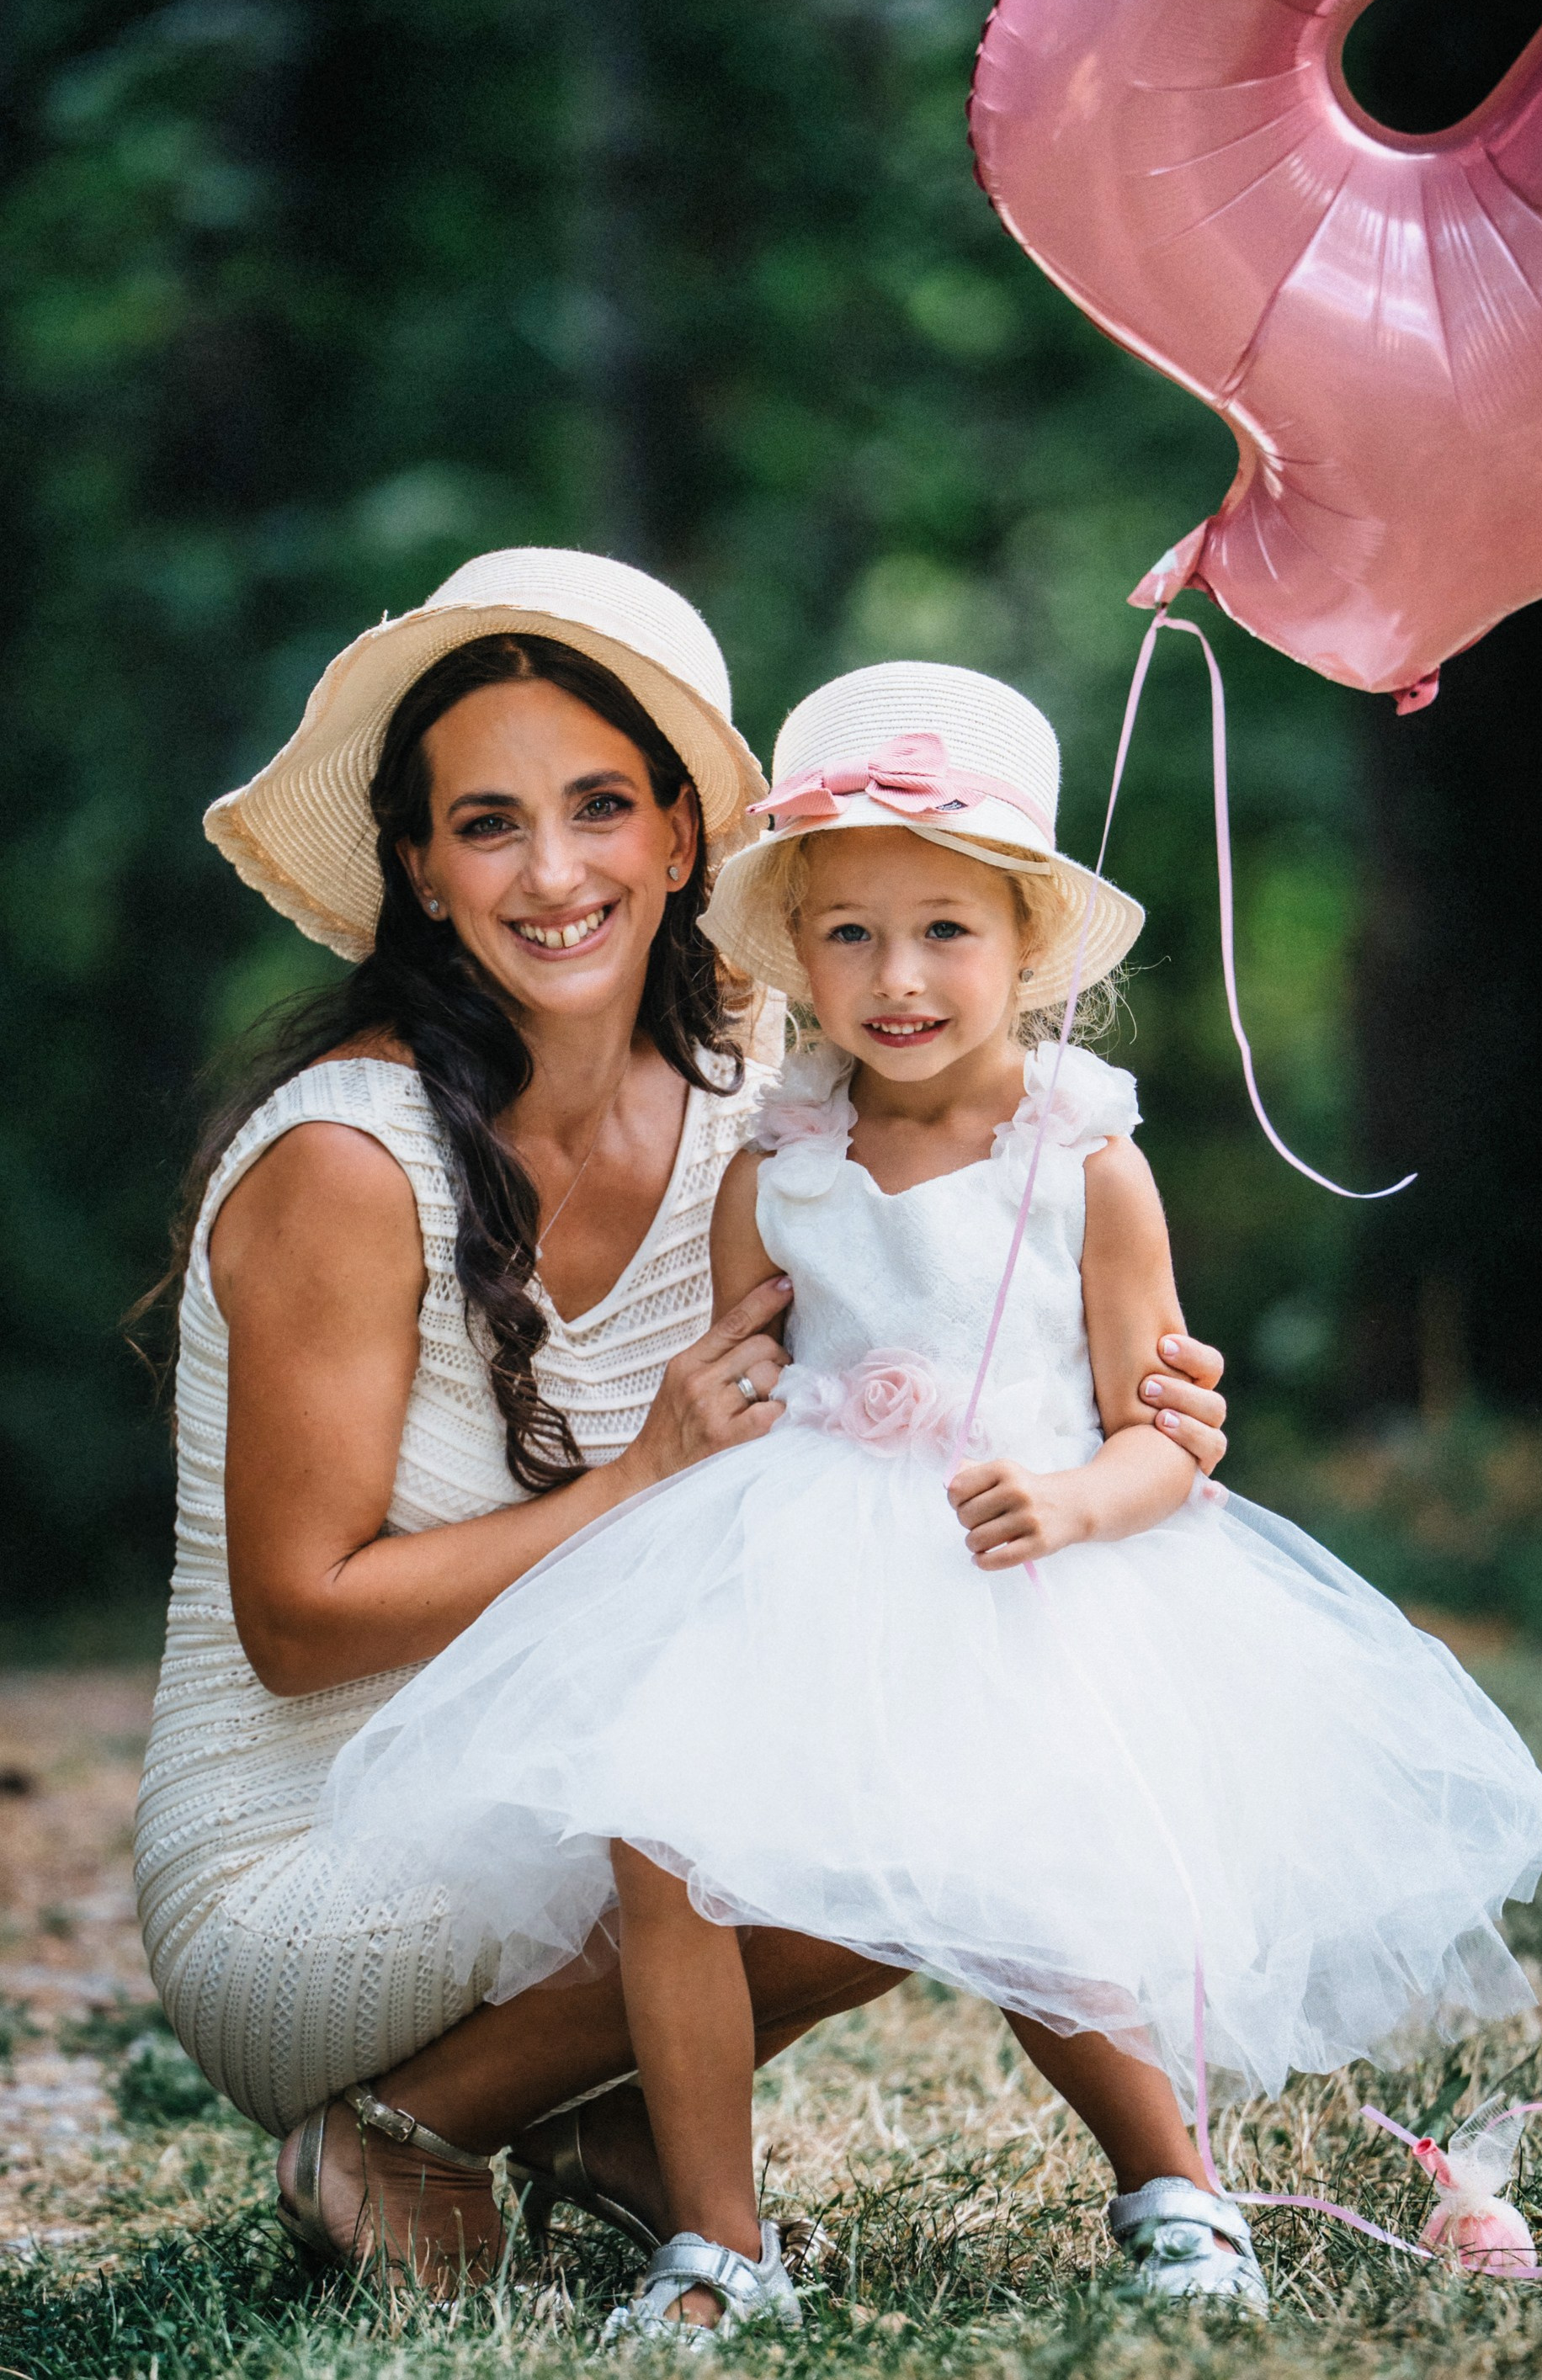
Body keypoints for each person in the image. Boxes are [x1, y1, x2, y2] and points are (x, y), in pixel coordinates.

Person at [314, 660, 1542, 2337]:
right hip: (797, 1560)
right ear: (795, 948)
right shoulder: (778, 1170)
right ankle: (717, 2242)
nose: (896, 977)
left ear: (1028, 944)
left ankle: (1176, 2190)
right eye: (849, 933)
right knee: (663, 1849)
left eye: (945, 930)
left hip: (1011, 1567)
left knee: (1026, 1876)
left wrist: (1076, 1502)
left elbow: (1167, 1433)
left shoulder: (1086, 1166)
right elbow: (749, 1382)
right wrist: (716, 1461)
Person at [132, 553, 1231, 2285]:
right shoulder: (349, 1160)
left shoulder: (761, 1106)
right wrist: (642, 1473)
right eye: (486, 825)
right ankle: (403, 2125)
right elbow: (297, 1622)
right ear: (417, 868)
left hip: (549, 1790)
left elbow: (949, 1275)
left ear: (677, 837)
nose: (552, 873)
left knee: (958, 1732)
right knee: (882, 1794)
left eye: (598, 808)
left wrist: (1135, 1418)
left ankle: (603, 2109)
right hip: (317, 1864)